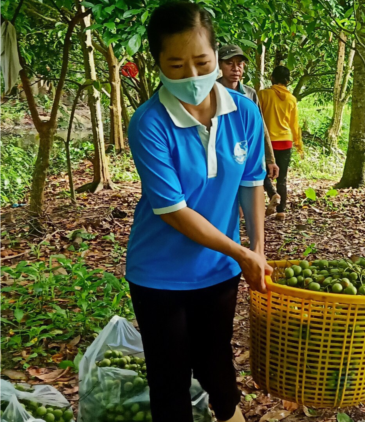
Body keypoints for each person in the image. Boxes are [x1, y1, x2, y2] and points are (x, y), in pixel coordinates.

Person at [126, 3, 272, 422]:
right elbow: (173, 210)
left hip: (219, 272)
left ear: (216, 58)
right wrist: (241, 252)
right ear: (156, 64)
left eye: (201, 61)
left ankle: (227, 413)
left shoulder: (244, 112)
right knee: (169, 378)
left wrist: (257, 246)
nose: (191, 76)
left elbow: (252, 182)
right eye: (176, 64)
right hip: (159, 275)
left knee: (217, 365)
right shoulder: (149, 123)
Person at [217, 44, 281, 209]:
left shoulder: (250, 94)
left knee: (247, 201)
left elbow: (261, 128)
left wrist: (269, 159)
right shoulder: (211, 92)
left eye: (239, 63)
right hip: (221, 155)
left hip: (247, 152)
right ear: (219, 65)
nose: (235, 68)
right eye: (229, 63)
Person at [258, 66, 303, 220]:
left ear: (272, 78)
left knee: (261, 172)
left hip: (267, 141)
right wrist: (298, 143)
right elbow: (294, 124)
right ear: (288, 81)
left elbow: (258, 119)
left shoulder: (263, 95)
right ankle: (282, 212)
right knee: (282, 178)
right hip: (285, 140)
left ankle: (272, 194)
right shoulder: (292, 99)